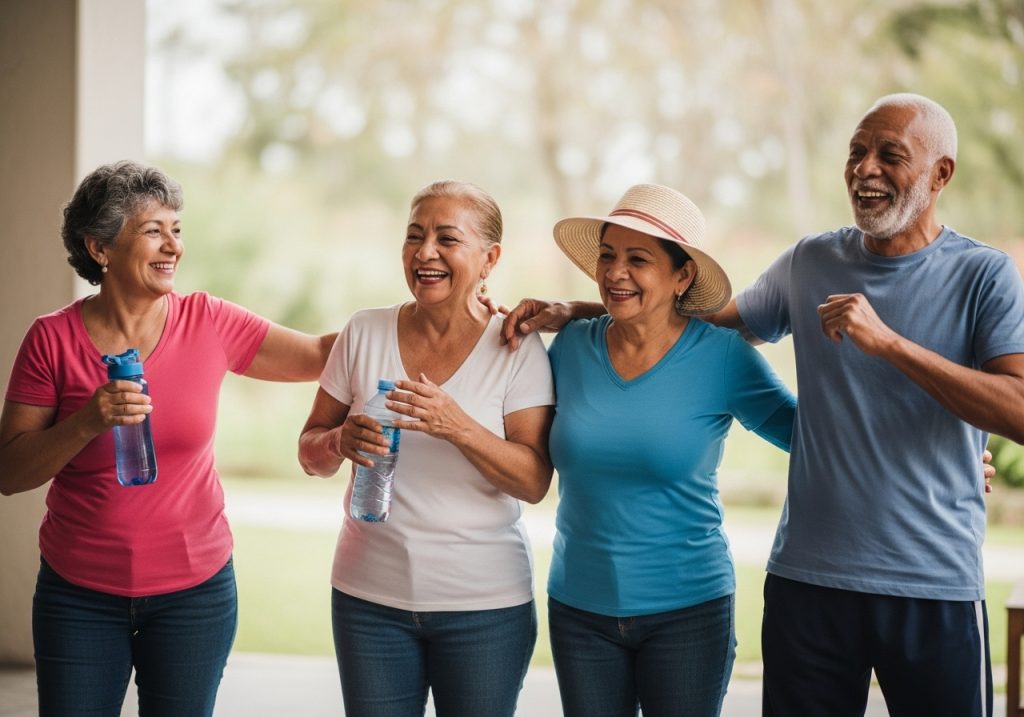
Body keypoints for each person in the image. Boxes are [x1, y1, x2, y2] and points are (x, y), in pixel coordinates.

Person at [504, 93, 1021, 717]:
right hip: (808, 579)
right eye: (856, 152)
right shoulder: (811, 261)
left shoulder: (984, 276)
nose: (866, 169)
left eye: (891, 155)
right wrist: (578, 312)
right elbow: (691, 320)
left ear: (941, 174)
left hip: (932, 578)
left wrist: (887, 345)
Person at [0, 160, 334, 717]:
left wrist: (436, 317)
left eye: (177, 230)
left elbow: (324, 354)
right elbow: (9, 473)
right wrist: (88, 420)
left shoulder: (210, 321)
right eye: (153, 230)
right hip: (79, 594)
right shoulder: (51, 338)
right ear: (99, 248)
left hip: (195, 596)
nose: (172, 246)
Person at [297, 179, 555, 717]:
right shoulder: (363, 332)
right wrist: (340, 441)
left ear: (489, 259)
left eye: (446, 238)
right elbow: (309, 452)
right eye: (414, 237)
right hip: (369, 602)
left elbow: (533, 481)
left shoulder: (517, 348)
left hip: (484, 608)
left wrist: (456, 426)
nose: (425, 253)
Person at [545, 183, 796, 716]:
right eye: (607, 255)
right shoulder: (569, 347)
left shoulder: (723, 358)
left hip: (689, 612)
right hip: (579, 608)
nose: (616, 272)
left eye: (638, 259)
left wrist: (935, 459)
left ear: (683, 276)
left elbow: (810, 437)